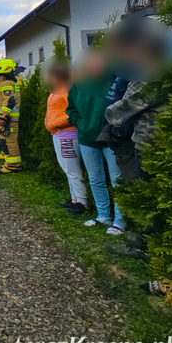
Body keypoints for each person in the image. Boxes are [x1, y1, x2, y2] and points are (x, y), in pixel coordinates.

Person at [66, 48, 123, 235]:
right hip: (87, 139)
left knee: (117, 180)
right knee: (95, 179)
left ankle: (120, 221)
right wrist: (81, 124)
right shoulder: (79, 84)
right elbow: (71, 109)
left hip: (111, 139)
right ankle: (103, 216)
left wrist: (112, 126)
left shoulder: (115, 81)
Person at [43, 57, 88, 215]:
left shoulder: (68, 89)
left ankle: (82, 202)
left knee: (73, 169)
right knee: (66, 169)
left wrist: (56, 123)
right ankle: (74, 198)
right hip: (58, 134)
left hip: (68, 134)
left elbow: (74, 112)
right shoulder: (56, 90)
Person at [0, 58, 22, 174]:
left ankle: (14, 165)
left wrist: (3, 117)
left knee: (10, 142)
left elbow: (9, 101)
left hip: (8, 120)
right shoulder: (4, 83)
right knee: (4, 141)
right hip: (6, 119)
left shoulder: (7, 83)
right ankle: (9, 162)